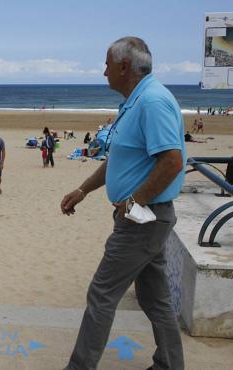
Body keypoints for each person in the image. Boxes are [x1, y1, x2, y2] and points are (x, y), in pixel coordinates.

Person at [60, 37, 185, 370]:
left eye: (107, 65)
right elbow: (121, 160)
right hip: (146, 216)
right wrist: (83, 189)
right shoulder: (135, 101)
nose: (104, 72)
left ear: (124, 66)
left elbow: (172, 161)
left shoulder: (152, 102)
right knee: (155, 299)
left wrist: (132, 202)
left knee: (101, 294)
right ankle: (170, 365)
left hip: (142, 218)